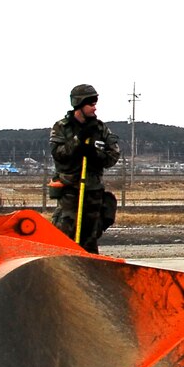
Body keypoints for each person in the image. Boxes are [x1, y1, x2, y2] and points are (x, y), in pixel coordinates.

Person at [50, 83, 120, 252]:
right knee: (65, 235)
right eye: (91, 104)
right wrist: (77, 142)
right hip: (70, 190)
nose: (94, 108)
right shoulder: (62, 127)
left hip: (93, 191)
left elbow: (113, 156)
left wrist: (94, 154)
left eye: (95, 104)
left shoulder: (101, 128)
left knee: (90, 237)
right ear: (79, 105)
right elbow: (58, 154)